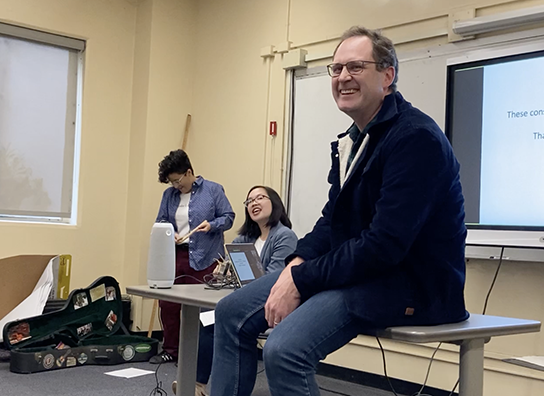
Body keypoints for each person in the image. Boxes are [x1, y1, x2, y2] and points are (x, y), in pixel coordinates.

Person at [210, 26, 469, 396]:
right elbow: (332, 221)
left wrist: (301, 279)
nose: (343, 77)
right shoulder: (355, 140)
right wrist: (297, 263)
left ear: (388, 76)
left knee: (284, 350)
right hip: (362, 275)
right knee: (230, 313)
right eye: (336, 68)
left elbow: (384, 246)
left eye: (356, 67)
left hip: (409, 286)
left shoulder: (416, 139)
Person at [174, 185, 297, 395]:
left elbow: (275, 279)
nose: (254, 203)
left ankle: (200, 385)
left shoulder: (285, 236)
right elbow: (231, 274)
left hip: (270, 303)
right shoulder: (244, 239)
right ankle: (195, 383)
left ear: (274, 203)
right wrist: (224, 272)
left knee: (218, 319)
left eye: (260, 198)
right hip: (244, 301)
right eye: (249, 201)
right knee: (204, 316)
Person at [152, 149, 235, 364]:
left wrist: (212, 225)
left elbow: (228, 217)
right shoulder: (169, 195)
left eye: (177, 180)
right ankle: (171, 350)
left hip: (206, 256)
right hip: (176, 255)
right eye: (171, 182)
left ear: (189, 172)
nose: (175, 186)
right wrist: (171, 232)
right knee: (168, 305)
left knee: (204, 308)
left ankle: (202, 355)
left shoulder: (213, 190)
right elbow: (161, 221)